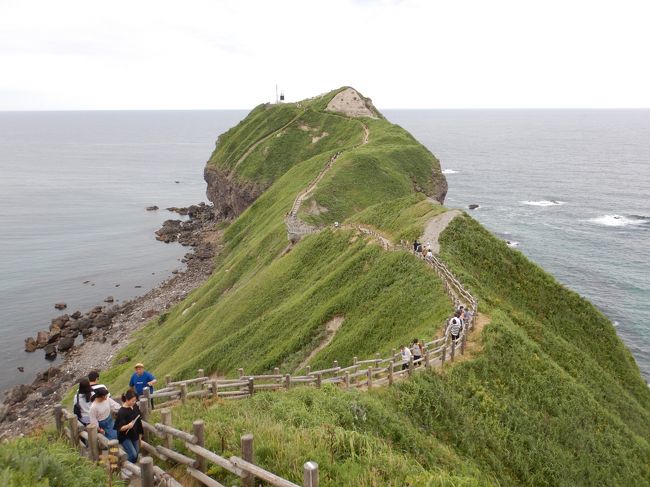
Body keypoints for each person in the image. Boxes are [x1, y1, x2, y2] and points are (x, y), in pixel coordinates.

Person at [115, 390, 143, 463]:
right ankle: (126, 466)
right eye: (132, 401)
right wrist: (127, 426)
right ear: (127, 400)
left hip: (134, 433)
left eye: (135, 400)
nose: (134, 402)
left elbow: (138, 418)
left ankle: (131, 466)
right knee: (133, 454)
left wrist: (140, 433)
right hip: (125, 436)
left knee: (136, 453)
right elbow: (119, 428)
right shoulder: (121, 412)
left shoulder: (135, 405)